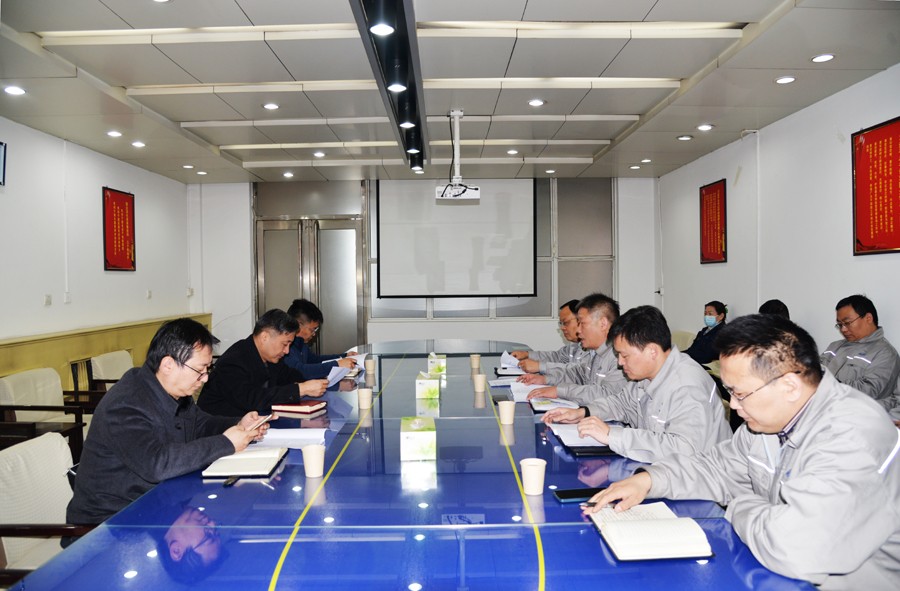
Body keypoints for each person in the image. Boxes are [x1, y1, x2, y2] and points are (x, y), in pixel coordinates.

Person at [585, 314, 900, 590]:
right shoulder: (768, 421)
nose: (733, 405)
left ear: (790, 386)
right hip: (771, 567)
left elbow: (796, 549)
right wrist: (649, 480)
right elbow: (716, 467)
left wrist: (738, 504)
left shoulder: (852, 435)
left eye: (740, 393)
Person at [66, 319, 269, 525]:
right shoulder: (125, 404)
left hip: (159, 503)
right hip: (110, 522)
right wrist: (226, 443)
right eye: (200, 370)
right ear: (168, 365)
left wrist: (239, 425)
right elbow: (157, 463)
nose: (205, 378)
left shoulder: (173, 390)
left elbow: (199, 424)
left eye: (208, 369)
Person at [541, 305, 731, 463]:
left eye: (624, 355)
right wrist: (583, 412)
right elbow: (621, 403)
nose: (620, 362)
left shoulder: (687, 386)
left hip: (700, 485)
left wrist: (611, 435)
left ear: (652, 351)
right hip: (662, 472)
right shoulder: (646, 374)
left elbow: (683, 449)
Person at [197, 309, 328, 417]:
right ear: (265, 337)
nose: (287, 351)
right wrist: (300, 389)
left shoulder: (270, 357)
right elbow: (253, 399)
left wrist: (318, 381)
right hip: (220, 430)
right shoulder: (233, 361)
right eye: (285, 344)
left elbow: (290, 375)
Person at [519, 293, 626, 405]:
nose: (578, 330)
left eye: (582, 324)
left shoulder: (620, 355)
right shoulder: (595, 352)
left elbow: (607, 394)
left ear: (603, 324)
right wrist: (545, 379)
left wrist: (560, 391)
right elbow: (577, 375)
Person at [820, 294, 900, 410]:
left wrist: (828, 385)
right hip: (822, 408)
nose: (843, 329)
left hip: (851, 413)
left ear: (868, 318)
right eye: (840, 324)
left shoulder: (885, 354)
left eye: (847, 323)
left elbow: (870, 391)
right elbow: (815, 370)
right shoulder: (834, 346)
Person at [283, 298, 356, 379]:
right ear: (298, 325)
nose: (314, 334)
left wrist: (344, 356)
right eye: (312, 329)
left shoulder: (301, 343)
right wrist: (337, 364)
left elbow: (314, 360)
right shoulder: (285, 346)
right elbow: (300, 371)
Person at [512, 300, 586, 373]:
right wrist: (527, 355)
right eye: (561, 323)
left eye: (566, 322)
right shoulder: (575, 346)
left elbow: (578, 372)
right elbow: (556, 357)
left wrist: (540, 367)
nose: (562, 328)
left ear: (581, 320)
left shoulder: (591, 348)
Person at [683, 300, 727, 365]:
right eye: (705, 314)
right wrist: (680, 355)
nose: (706, 316)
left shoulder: (723, 333)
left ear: (721, 316)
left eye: (710, 314)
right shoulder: (704, 330)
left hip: (703, 366)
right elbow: (692, 349)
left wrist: (686, 358)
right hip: (691, 361)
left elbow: (708, 356)